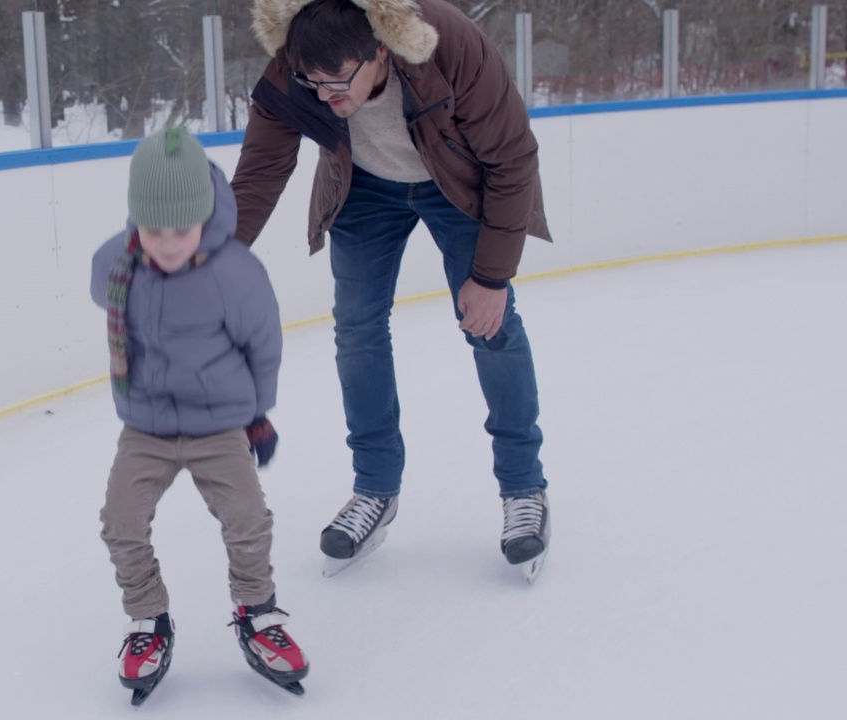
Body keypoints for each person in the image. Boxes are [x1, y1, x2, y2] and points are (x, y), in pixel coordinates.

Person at [232, 0, 552, 578]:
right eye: (314, 83)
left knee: (492, 330)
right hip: (364, 188)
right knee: (356, 330)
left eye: (339, 81)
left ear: (381, 50)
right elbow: (261, 167)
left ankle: (523, 489)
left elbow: (512, 157)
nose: (327, 96)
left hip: (458, 184)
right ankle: (375, 489)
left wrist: (491, 278)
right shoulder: (297, 60)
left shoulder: (448, 42)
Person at [90, 127, 309, 701]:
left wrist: (258, 415)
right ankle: (148, 621)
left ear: (205, 215)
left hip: (219, 423)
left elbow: (264, 347)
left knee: (248, 519)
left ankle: (257, 610)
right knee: (120, 521)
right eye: (152, 229)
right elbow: (103, 287)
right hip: (147, 425)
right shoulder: (117, 263)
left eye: (180, 230)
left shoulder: (236, 274)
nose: (166, 244)